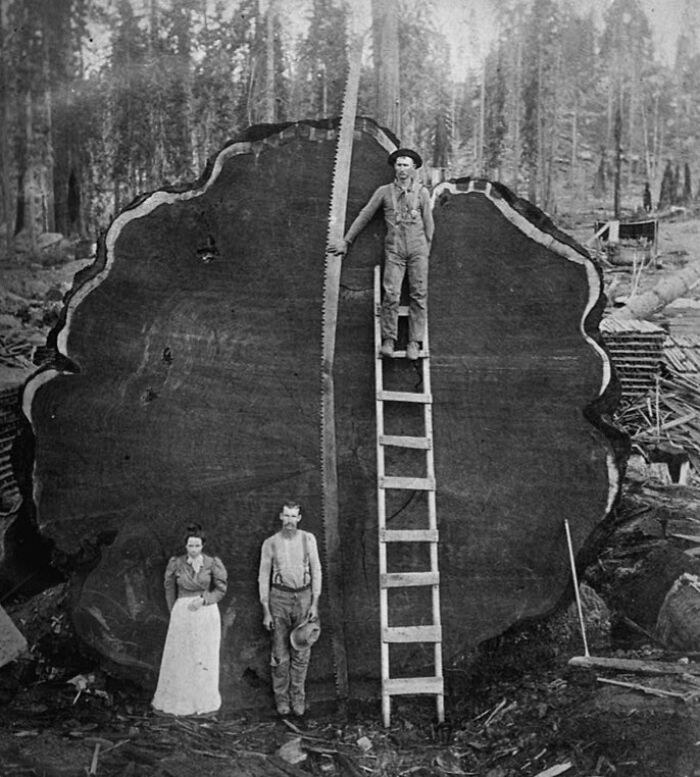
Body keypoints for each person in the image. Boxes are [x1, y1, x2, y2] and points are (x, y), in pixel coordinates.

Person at [332, 148, 434, 361]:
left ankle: (414, 342)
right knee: (391, 295)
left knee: (419, 295)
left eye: (406, 164)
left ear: (414, 167)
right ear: (394, 168)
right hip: (394, 250)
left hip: (418, 251)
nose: (402, 169)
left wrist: (425, 252)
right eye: (398, 164)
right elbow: (365, 215)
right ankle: (389, 339)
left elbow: (429, 226)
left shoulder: (422, 193)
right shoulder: (384, 191)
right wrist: (346, 241)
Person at [152, 524, 228, 717]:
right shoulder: (176, 563)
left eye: (197, 546)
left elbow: (221, 589)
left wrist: (205, 599)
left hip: (206, 612)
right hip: (183, 612)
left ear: (202, 545)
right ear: (185, 546)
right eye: (190, 546)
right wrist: (175, 611)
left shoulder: (212, 563)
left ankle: (203, 702)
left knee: (203, 656)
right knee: (181, 657)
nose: (193, 549)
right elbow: (169, 588)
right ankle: (180, 702)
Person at [258, 501, 322, 717]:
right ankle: (282, 700)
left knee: (302, 650)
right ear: (280, 517)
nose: (290, 521)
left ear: (299, 518)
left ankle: (298, 698)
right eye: (286, 516)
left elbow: (317, 570)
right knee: (279, 653)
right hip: (279, 599)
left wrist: (314, 603)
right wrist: (266, 609)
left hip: (304, 598)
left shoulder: (308, 539)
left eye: (293, 516)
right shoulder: (270, 543)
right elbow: (263, 576)